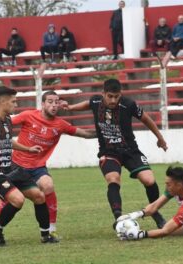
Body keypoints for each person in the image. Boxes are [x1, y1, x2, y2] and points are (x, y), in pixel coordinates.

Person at [60, 79, 169, 229]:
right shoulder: (96, 101)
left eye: (116, 96)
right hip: (108, 151)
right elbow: (87, 104)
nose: (113, 100)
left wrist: (160, 138)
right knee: (113, 179)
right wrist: (71, 107)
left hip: (130, 150)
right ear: (103, 94)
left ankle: (155, 213)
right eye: (110, 96)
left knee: (149, 180)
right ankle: (119, 219)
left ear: (121, 94)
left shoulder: (129, 104)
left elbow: (146, 119)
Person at [0, 86, 58, 246]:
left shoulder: (6, 119)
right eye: (13, 101)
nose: (16, 105)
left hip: (11, 168)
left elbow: (7, 141)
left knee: (39, 196)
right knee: (18, 200)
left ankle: (45, 236)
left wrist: (27, 149)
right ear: (2, 102)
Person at [0, 91, 96, 238]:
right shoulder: (28, 115)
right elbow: (6, 123)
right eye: (50, 101)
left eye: (56, 102)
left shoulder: (60, 125)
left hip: (38, 168)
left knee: (48, 185)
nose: (54, 105)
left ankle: (51, 229)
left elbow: (85, 133)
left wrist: (102, 131)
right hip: (16, 166)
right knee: (11, 198)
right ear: (42, 104)